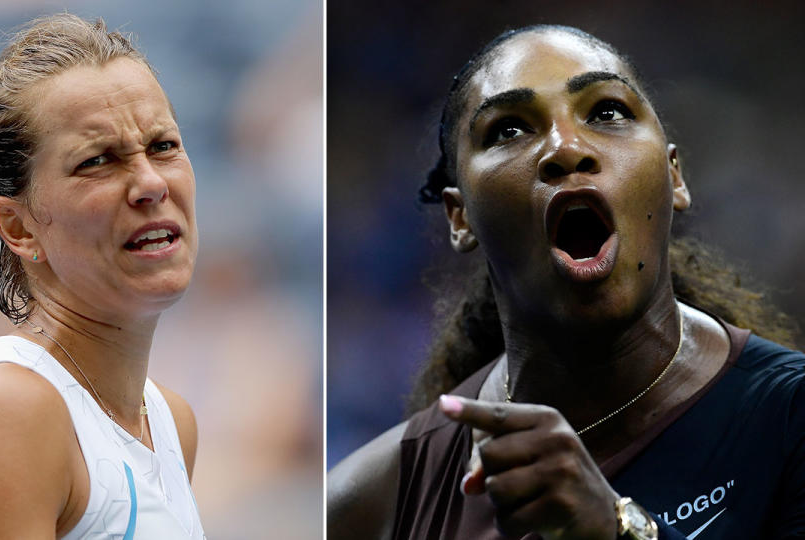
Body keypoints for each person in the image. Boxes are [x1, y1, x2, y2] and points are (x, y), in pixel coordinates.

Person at [328, 24, 805, 539]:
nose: (565, 147)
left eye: (607, 112)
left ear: (674, 177)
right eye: (508, 129)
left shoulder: (788, 416)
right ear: (460, 217)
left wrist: (613, 528)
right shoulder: (369, 503)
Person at [0, 14, 205, 539]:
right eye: (97, 161)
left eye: (163, 146)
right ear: (18, 228)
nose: (150, 183)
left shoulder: (170, 421)